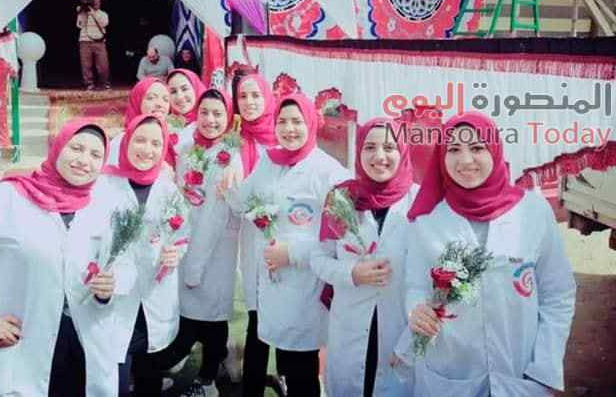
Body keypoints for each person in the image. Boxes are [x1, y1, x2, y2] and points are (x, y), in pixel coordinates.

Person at [0, 120, 128, 396]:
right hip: (26, 339)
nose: (84, 160)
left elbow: (123, 262)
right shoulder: (8, 198)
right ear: (58, 147)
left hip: (85, 341)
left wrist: (110, 288)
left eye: (96, 154)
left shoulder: (104, 201)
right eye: (76, 148)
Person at [400, 112, 576, 397]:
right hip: (450, 374)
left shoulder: (533, 211)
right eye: (454, 150)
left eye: (477, 147)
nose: (465, 160)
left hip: (520, 372)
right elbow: (415, 286)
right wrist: (416, 309)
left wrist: (545, 367)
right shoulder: (428, 220)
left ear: (494, 150)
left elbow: (558, 293)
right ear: (441, 156)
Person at [228, 94, 350, 397]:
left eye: (297, 121)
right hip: (272, 286)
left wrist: (292, 253)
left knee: (302, 369)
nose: (289, 128)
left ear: (311, 123)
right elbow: (241, 200)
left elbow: (341, 239)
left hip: (305, 287)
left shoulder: (329, 172)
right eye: (282, 121)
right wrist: (228, 176)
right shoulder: (269, 162)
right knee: (283, 355)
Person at [311, 118, 418, 396]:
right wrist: (351, 274)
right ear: (358, 151)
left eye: (389, 148)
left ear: (403, 152)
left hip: (399, 330)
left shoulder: (419, 203)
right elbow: (318, 259)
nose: (379, 156)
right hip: (350, 325)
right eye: (370, 147)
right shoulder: (341, 197)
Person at [94, 114, 189, 397]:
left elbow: (183, 233)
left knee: (150, 373)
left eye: (156, 144)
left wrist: (176, 252)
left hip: (153, 295)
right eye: (140, 140)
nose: (147, 149)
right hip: (115, 296)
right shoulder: (103, 186)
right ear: (126, 142)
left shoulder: (168, 189)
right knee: (116, 377)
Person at [167, 88, 244, 397]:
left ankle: (208, 380)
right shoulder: (187, 149)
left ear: (228, 118)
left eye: (217, 114)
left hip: (216, 249)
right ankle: (186, 359)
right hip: (187, 241)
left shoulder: (230, 157)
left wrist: (196, 264)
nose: (210, 120)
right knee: (188, 312)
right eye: (204, 113)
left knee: (213, 316)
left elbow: (221, 212)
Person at [228, 72, 278, 396]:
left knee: (286, 309)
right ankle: (253, 383)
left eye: (255, 95)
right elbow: (233, 197)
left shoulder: (283, 136)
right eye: (243, 97)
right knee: (257, 311)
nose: (249, 102)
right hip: (250, 238)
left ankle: (283, 372)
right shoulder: (234, 142)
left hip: (284, 239)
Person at [108, 77, 171, 165]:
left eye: (166, 99)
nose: (160, 104)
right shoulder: (121, 142)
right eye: (151, 98)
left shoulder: (172, 138)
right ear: (137, 101)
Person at [77, 0, 111, 90]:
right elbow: (80, 25)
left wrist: (93, 14)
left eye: (97, 1)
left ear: (100, 3)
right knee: (86, 65)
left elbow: (104, 24)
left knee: (103, 65)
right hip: (85, 41)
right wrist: (83, 13)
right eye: (93, 1)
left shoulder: (103, 14)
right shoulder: (83, 13)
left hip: (99, 42)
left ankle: (104, 83)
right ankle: (89, 84)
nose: (96, 3)